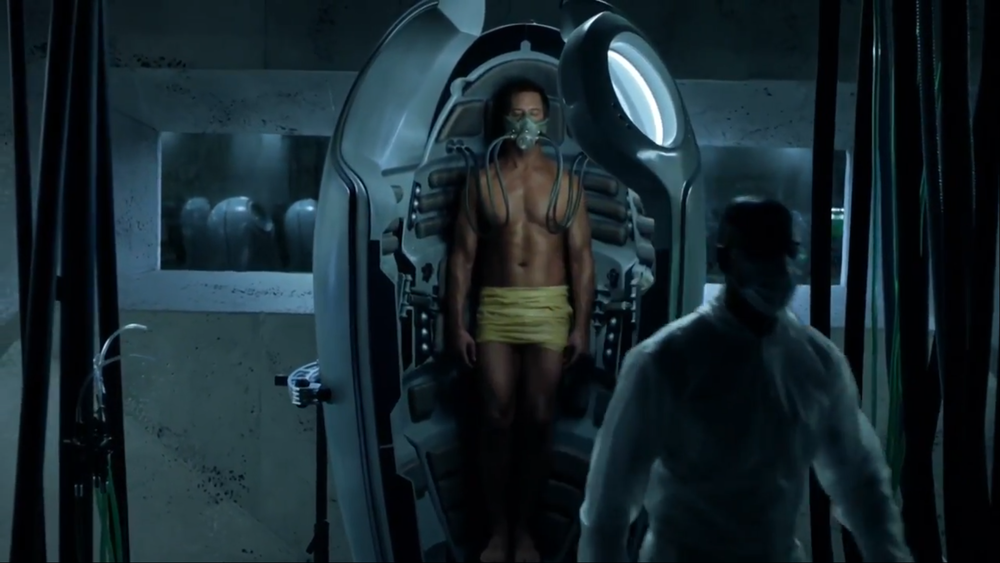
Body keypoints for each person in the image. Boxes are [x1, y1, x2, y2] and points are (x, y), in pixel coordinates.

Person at [577, 196, 913, 562]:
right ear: (726, 259)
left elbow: (862, 486)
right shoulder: (665, 362)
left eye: (786, 251)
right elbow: (607, 506)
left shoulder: (814, 364)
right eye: (761, 252)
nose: (779, 267)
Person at [446, 78, 594, 563]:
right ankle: (497, 530)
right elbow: (462, 257)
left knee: (538, 419)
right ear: (503, 120)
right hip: (497, 307)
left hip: (550, 307)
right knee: (496, 417)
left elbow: (582, 260)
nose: (525, 123)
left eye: (533, 114)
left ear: (545, 120)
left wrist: (581, 325)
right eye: (517, 114)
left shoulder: (565, 183)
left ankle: (525, 530)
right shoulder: (483, 182)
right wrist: (456, 324)